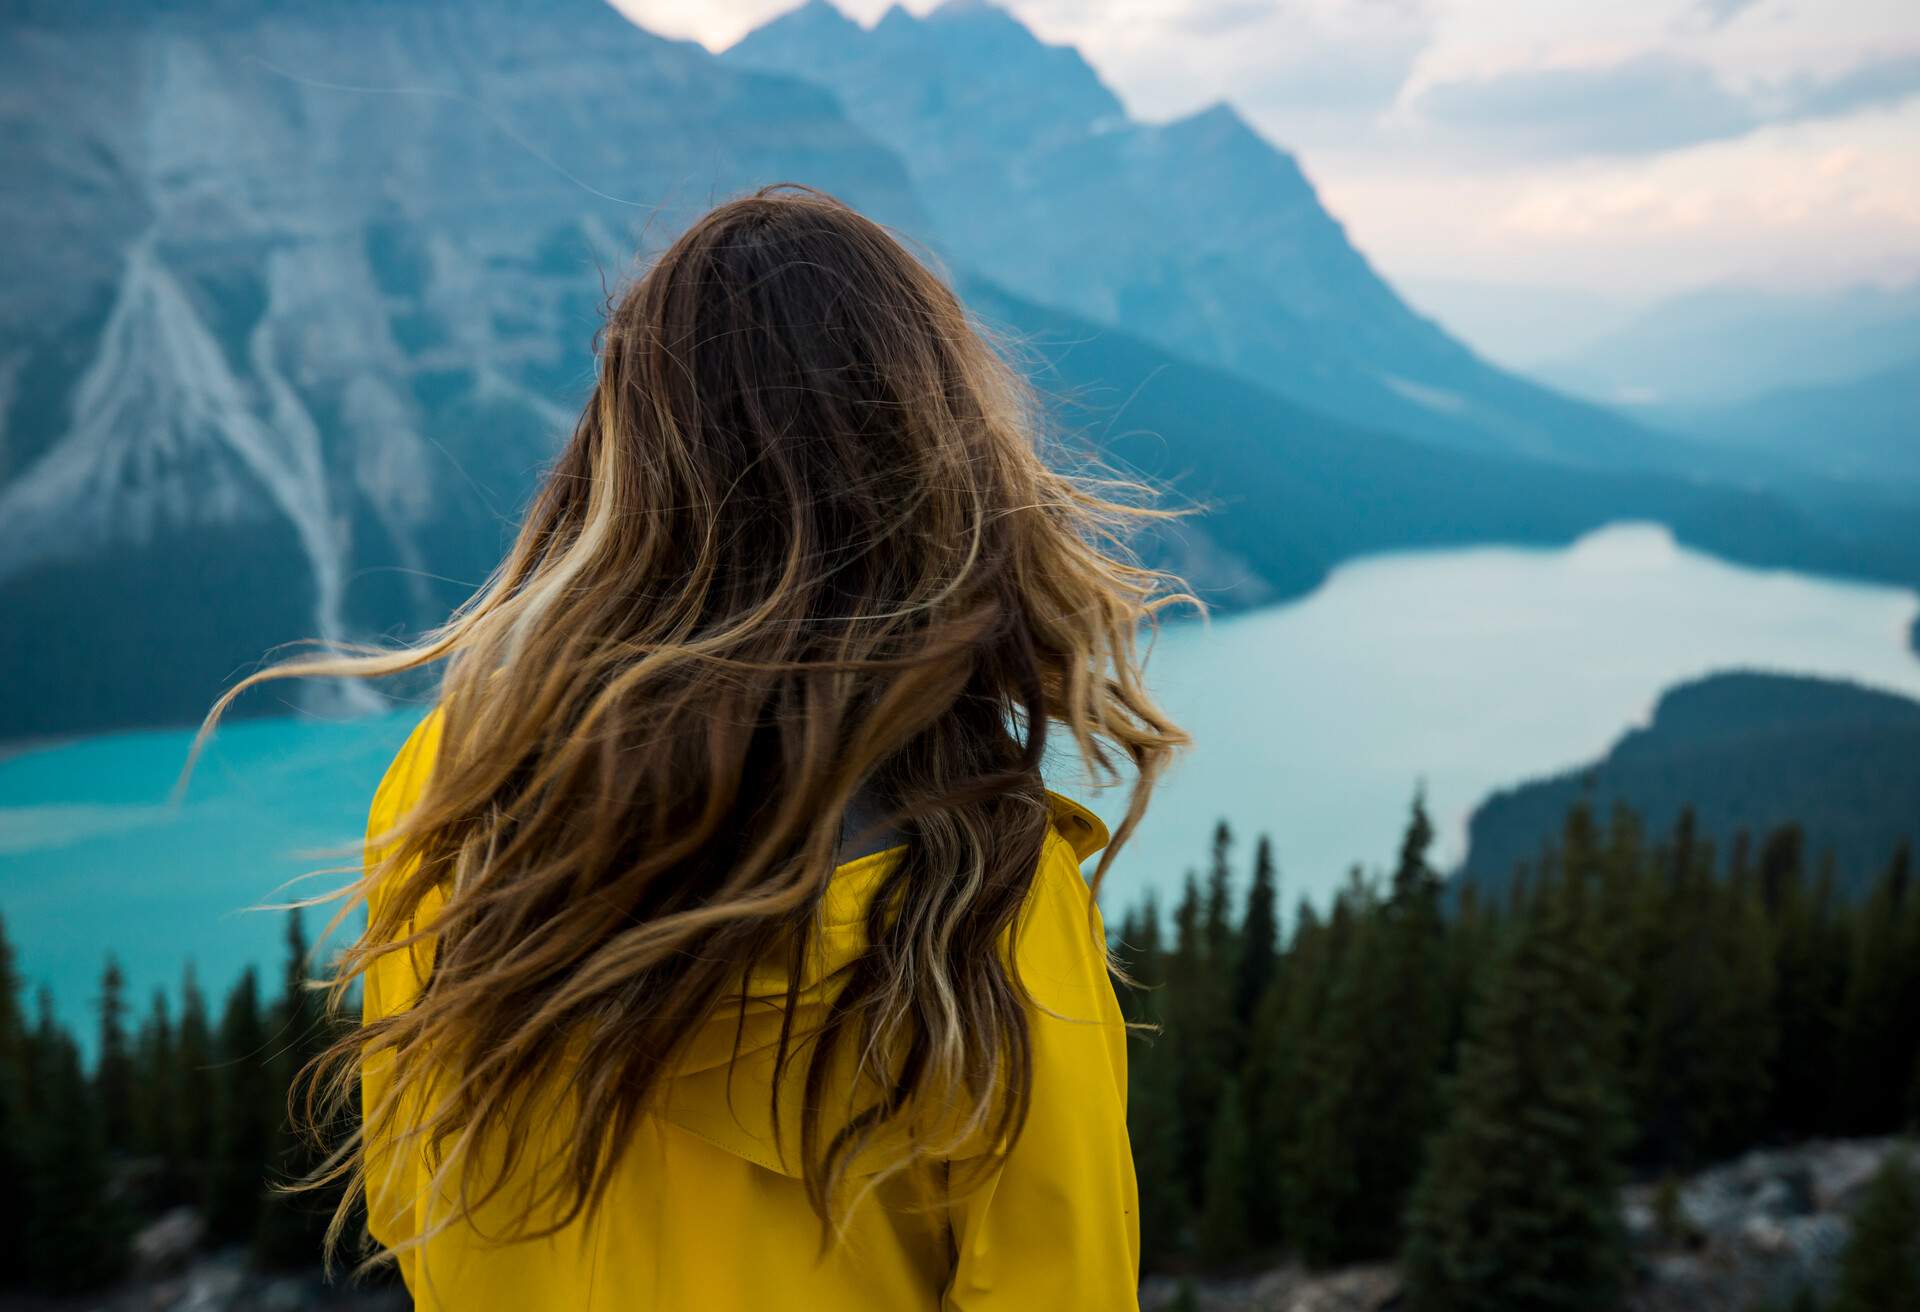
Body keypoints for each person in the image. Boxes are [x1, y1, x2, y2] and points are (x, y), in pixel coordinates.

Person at [207, 184, 1189, 1309]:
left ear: (625, 454)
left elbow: (406, 1198)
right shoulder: (983, 900)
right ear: (936, 454)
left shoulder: (454, 782)